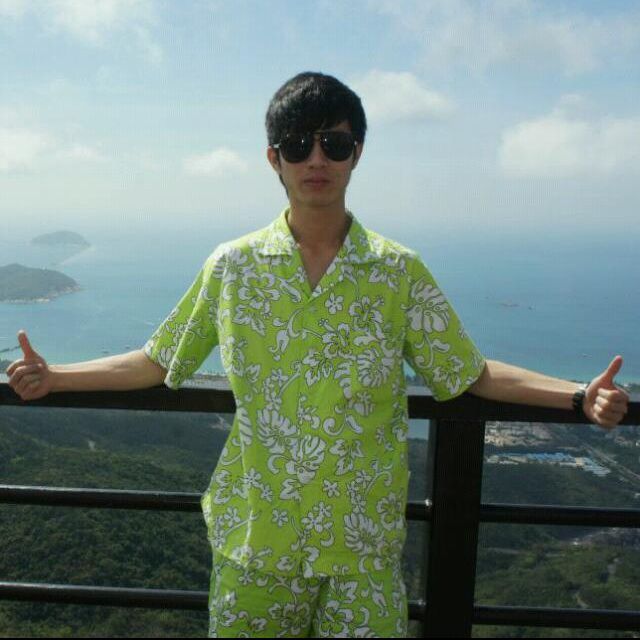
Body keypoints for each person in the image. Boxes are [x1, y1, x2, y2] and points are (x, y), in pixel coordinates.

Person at [6, 72, 630, 638]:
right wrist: (55, 376)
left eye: (334, 143)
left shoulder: (396, 272)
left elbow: (470, 372)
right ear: (273, 158)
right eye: (298, 144)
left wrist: (578, 394)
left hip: (361, 549)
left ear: (357, 152)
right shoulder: (234, 267)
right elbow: (157, 361)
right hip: (255, 541)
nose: (316, 159)